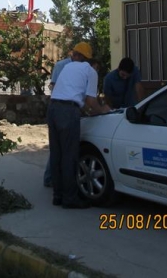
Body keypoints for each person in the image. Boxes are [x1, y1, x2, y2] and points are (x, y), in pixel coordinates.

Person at [46, 42, 108, 209]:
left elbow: (71, 92)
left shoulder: (67, 68)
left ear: (77, 56)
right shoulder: (90, 71)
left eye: (74, 54)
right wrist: (102, 110)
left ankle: (57, 196)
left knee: (57, 154)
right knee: (69, 156)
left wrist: (85, 108)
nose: (72, 56)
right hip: (68, 112)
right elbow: (90, 101)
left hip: (52, 109)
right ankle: (70, 198)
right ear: (88, 58)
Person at [43, 43, 88, 187]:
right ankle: (51, 179)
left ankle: (58, 187)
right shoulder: (62, 66)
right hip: (62, 108)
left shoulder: (76, 66)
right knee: (62, 150)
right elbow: (55, 86)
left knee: (59, 149)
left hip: (61, 108)